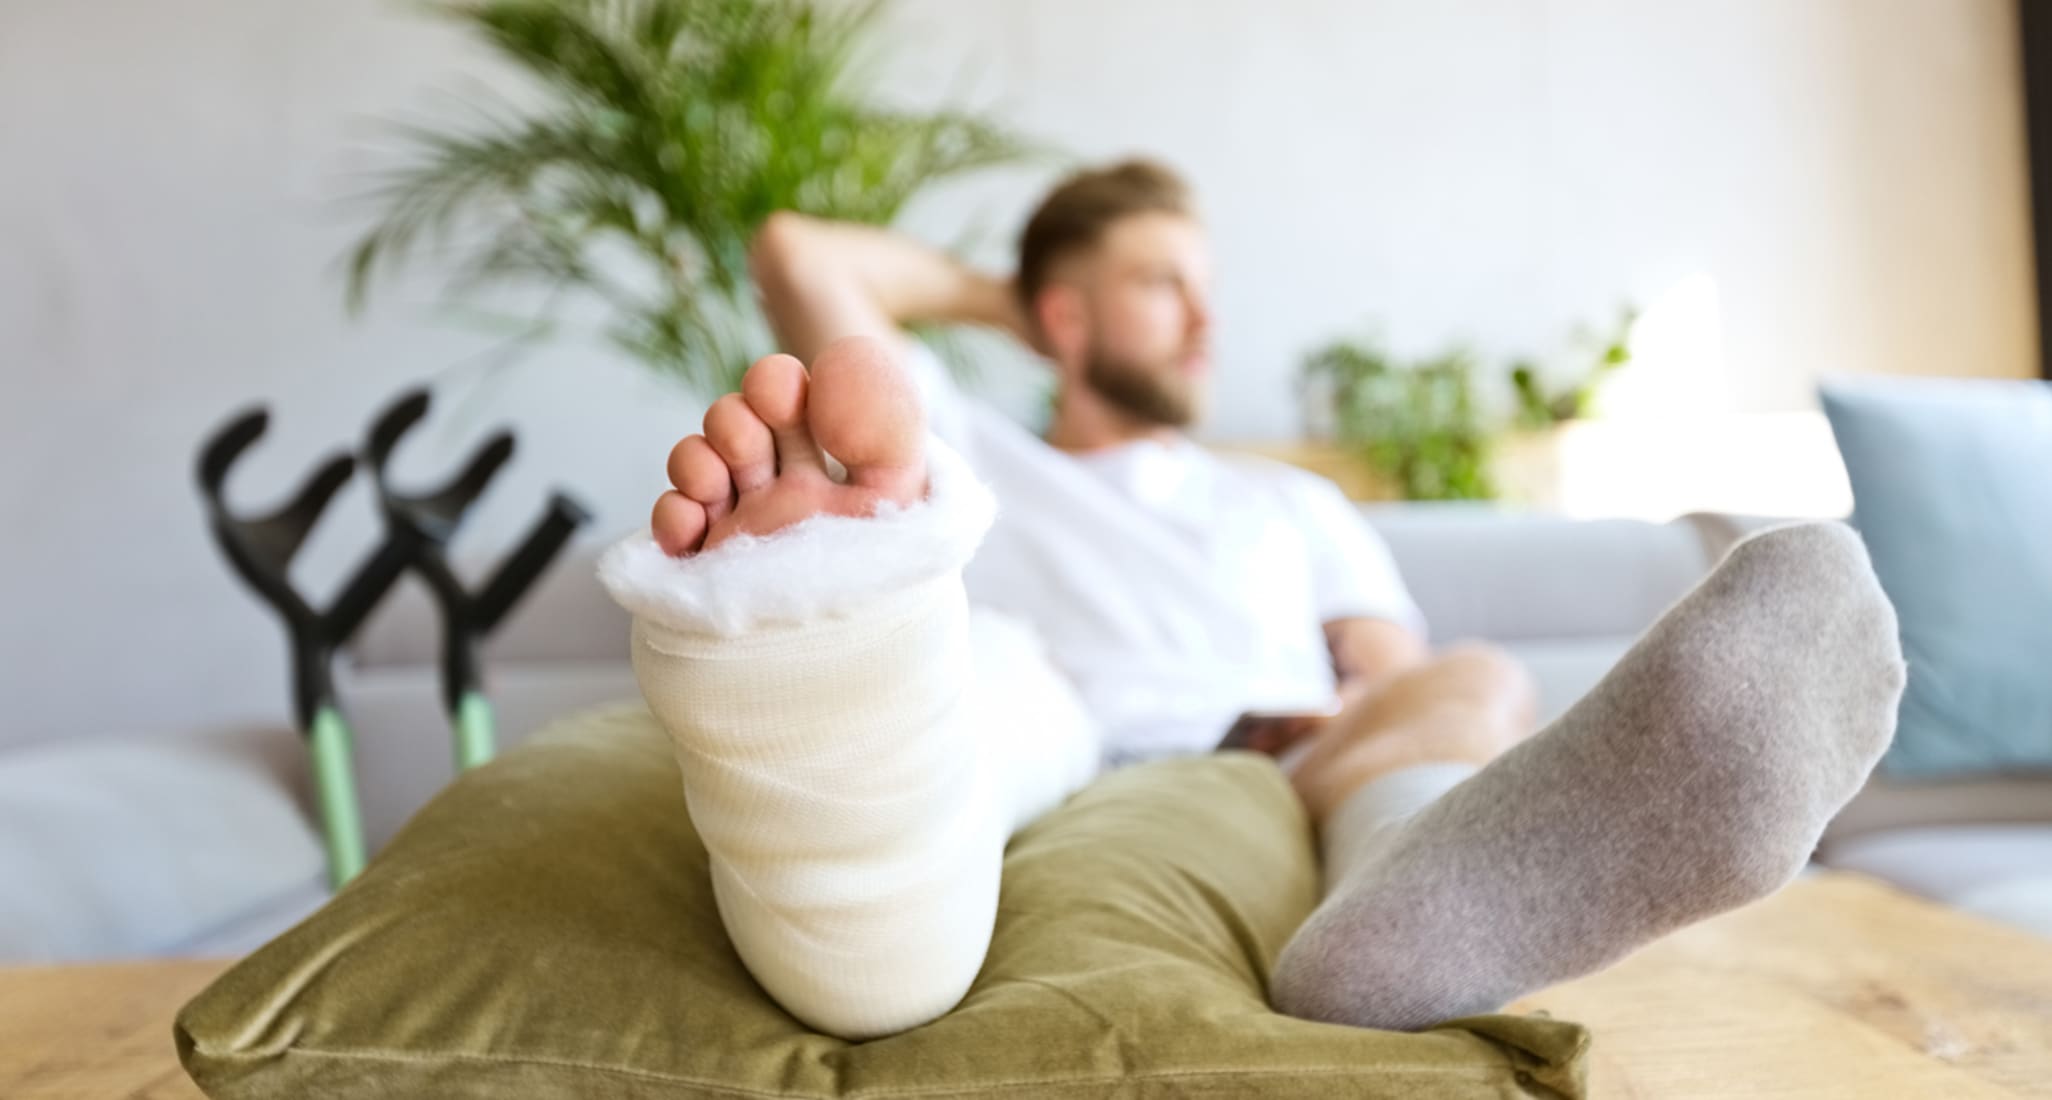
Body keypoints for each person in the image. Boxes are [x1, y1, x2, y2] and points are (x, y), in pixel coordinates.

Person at [597, 159, 1906, 1042]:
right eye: (1164, 284)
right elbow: (793, 249)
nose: (1206, 322)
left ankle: (1402, 901)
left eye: (1204, 289)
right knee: (983, 655)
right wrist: (1021, 306)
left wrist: (1348, 725)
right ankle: (840, 690)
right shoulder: (974, 459)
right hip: (1070, 729)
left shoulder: (1291, 506)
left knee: (1471, 680)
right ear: (1063, 316)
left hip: (1297, 758)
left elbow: (1389, 675)